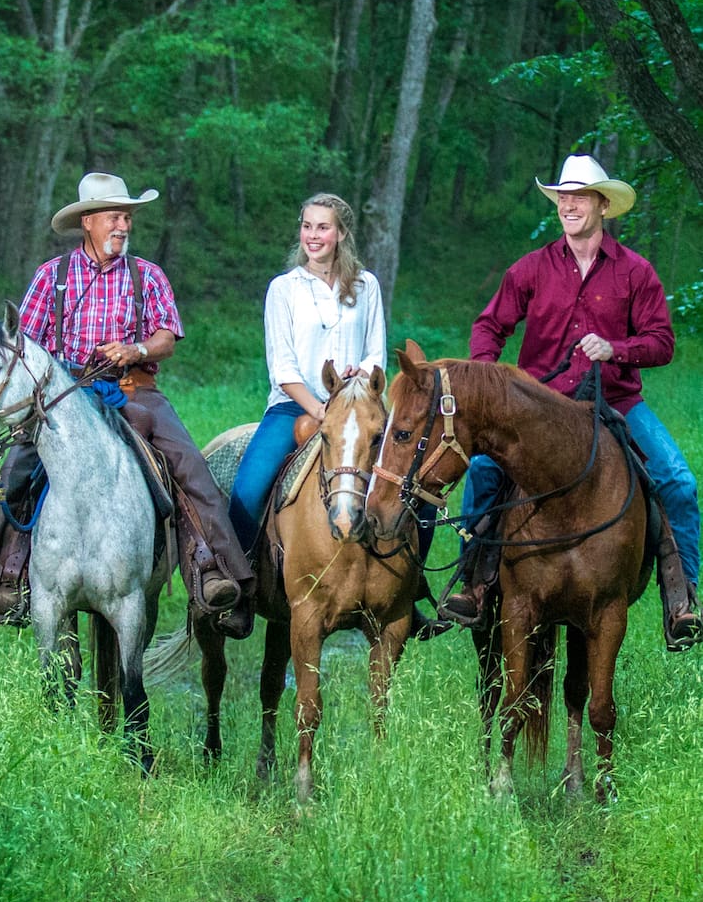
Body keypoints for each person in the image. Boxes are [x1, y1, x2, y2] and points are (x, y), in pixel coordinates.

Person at [442, 153, 701, 650]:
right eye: (563, 196)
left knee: (677, 480)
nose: (569, 204)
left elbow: (662, 342)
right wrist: (492, 382)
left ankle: (681, 597)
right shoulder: (533, 268)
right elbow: (489, 325)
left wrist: (616, 348)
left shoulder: (635, 272)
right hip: (539, 408)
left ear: (603, 204)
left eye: (579, 196)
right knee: (482, 471)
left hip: (615, 402)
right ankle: (472, 583)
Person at [0, 171, 255, 638]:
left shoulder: (147, 274)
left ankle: (214, 571)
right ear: (88, 222)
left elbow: (166, 337)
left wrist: (137, 350)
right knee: (17, 469)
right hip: (64, 397)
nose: (123, 226)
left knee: (188, 465)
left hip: (132, 389)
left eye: (126, 217)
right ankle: (11, 575)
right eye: (114, 217)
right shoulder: (54, 277)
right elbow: (23, 344)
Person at [228, 192, 387, 553]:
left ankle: (410, 589)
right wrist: (319, 410)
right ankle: (236, 583)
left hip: (358, 408)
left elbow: (376, 354)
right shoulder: (284, 289)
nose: (313, 235)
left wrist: (359, 375)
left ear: (342, 234)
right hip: (294, 406)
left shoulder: (366, 285)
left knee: (413, 490)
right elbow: (283, 368)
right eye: (307, 226)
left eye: (323, 227)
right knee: (248, 490)